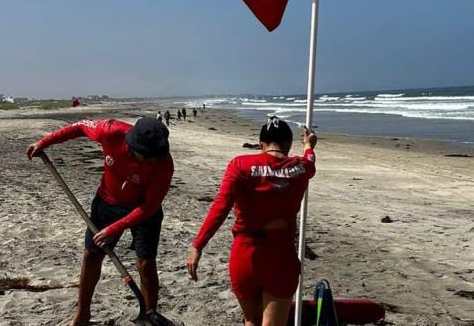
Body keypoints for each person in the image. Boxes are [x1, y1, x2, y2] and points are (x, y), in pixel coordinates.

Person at [27, 118, 174, 326]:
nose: (152, 161)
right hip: (107, 203)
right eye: (148, 157)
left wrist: (114, 229)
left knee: (146, 264)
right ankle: (82, 314)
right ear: (133, 146)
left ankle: (149, 316)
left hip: (144, 211)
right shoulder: (110, 130)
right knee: (92, 256)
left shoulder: (164, 163)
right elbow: (78, 127)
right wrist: (44, 142)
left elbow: (149, 207)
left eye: (155, 156)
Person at [187, 116, 317, 326]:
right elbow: (310, 161)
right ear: (288, 145)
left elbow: (221, 206)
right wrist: (309, 146)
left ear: (260, 145)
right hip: (280, 254)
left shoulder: (240, 165)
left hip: (246, 253)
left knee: (251, 320)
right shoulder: (300, 167)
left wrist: (198, 245)